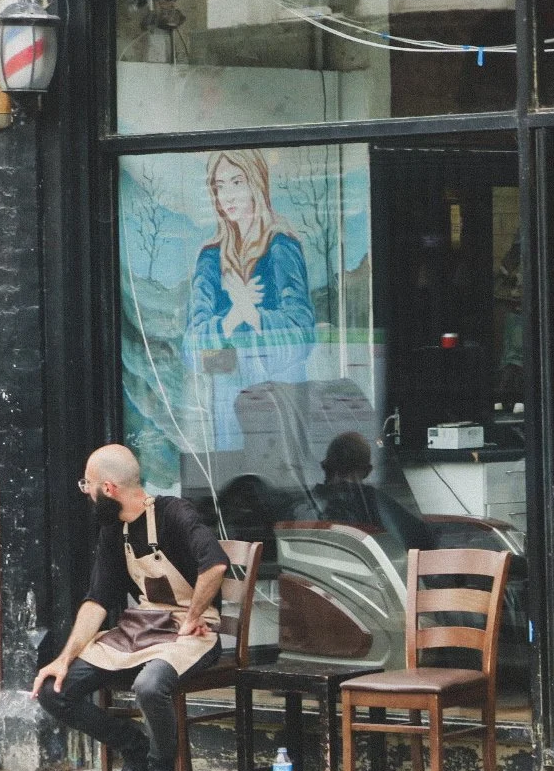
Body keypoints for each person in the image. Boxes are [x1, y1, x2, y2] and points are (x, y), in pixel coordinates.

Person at [31, 444, 229, 771]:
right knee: (53, 690)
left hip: (193, 633)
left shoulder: (174, 513)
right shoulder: (113, 531)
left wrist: (195, 615)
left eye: (86, 485)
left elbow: (214, 564)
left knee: (150, 686)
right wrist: (64, 659)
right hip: (143, 629)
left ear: (108, 489)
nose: (86, 493)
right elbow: (96, 602)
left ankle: (161, 768)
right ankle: (134, 748)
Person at [182, 149, 316, 451]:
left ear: (256, 183)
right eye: (220, 186)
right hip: (228, 400)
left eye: (237, 182)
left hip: (280, 396)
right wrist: (233, 317)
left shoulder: (281, 246)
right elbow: (192, 349)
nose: (227, 195)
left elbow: (303, 334)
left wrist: (252, 315)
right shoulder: (210, 258)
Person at [303, 431, 434, 552]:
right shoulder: (372, 499)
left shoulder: (307, 500)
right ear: (367, 471)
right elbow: (418, 537)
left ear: (326, 466)